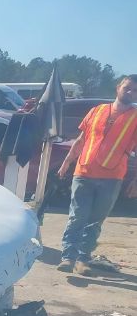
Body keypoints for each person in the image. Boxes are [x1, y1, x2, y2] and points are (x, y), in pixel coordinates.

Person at [56, 75, 137, 275]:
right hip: (84, 171)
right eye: (127, 88)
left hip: (112, 177)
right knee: (77, 216)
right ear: (118, 87)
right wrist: (67, 162)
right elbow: (82, 139)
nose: (130, 93)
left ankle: (83, 260)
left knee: (95, 220)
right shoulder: (97, 111)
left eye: (134, 91)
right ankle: (68, 257)